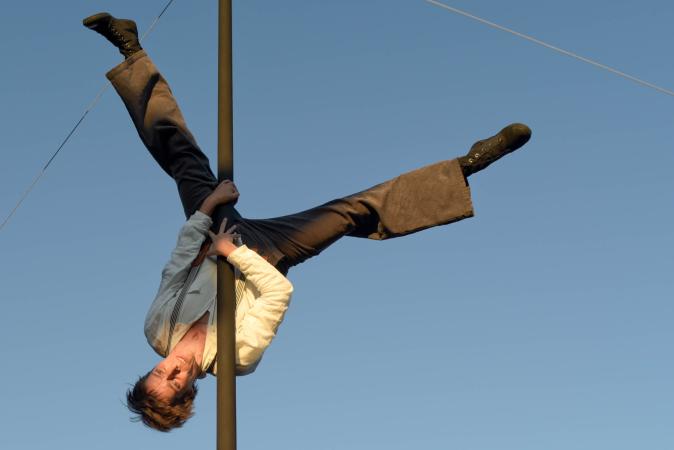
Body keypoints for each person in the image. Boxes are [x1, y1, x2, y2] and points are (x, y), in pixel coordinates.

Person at [83, 12, 533, 432]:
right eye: (175, 381)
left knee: (183, 161)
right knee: (351, 212)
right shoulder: (236, 358)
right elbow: (278, 293)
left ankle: (132, 53)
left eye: (160, 372)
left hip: (212, 231)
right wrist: (234, 253)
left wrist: (207, 210)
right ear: (188, 391)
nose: (173, 368)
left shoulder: (156, 329)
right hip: (263, 253)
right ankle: (467, 168)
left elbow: (177, 266)